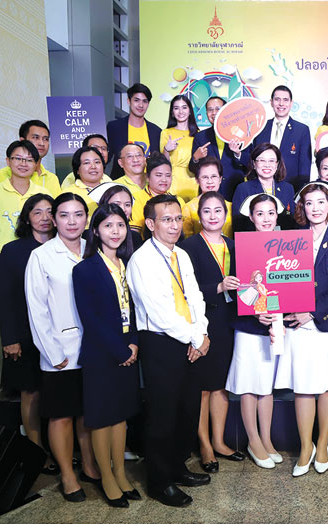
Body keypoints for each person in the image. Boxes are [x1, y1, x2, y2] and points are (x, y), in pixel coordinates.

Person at [126, 194, 212, 507]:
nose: (174, 225)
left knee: (187, 411)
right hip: (161, 343)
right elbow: (159, 311)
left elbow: (196, 297)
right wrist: (195, 338)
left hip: (190, 339)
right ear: (150, 224)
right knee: (162, 415)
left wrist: (202, 333)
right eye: (166, 219)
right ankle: (160, 482)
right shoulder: (142, 260)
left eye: (177, 218)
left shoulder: (181, 255)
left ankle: (178, 467)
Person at [275, 182, 328, 476]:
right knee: (303, 387)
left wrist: (311, 312)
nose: (315, 208)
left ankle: (322, 444)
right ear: (302, 208)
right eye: (309, 203)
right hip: (297, 323)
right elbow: (281, 279)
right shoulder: (291, 239)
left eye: (320, 202)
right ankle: (305, 447)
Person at [25, 193, 99, 502]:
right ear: (54, 220)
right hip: (61, 349)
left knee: (87, 412)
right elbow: (37, 309)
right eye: (64, 215)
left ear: (87, 219)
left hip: (93, 348)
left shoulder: (94, 249)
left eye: (78, 214)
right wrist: (52, 353)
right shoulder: (42, 256)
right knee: (61, 416)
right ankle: (68, 475)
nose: (72, 221)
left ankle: (90, 465)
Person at [72, 204, 140, 508]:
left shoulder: (128, 265)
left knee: (120, 417)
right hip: (102, 354)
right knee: (102, 418)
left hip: (128, 349)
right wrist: (120, 350)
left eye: (120, 225)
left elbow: (135, 309)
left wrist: (133, 343)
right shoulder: (84, 269)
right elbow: (91, 319)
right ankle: (107, 478)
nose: (115, 231)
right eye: (108, 225)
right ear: (96, 231)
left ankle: (121, 474)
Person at [179, 191, 244, 473]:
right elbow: (184, 290)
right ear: (199, 215)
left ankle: (219, 440)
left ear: (226, 215)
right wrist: (217, 287)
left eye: (218, 210)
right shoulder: (188, 247)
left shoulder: (235, 245)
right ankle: (204, 444)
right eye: (207, 211)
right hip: (203, 323)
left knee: (220, 385)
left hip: (229, 322)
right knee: (203, 388)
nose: (213, 216)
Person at [224, 193, 287, 470]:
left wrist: (278, 313)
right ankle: (253, 440)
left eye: (270, 213)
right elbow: (238, 289)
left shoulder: (286, 246)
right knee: (249, 385)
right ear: (251, 217)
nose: (266, 218)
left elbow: (287, 285)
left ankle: (267, 439)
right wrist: (255, 312)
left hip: (274, 322)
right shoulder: (241, 247)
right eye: (260, 213)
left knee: (266, 386)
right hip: (249, 326)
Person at [0, 193, 55, 468]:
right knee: (30, 392)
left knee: (56, 392)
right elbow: (6, 298)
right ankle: (36, 451)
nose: (44, 217)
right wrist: (10, 339)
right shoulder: (13, 250)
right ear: (27, 218)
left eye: (49, 211)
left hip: (59, 334)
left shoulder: (65, 246)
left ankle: (59, 448)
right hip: (24, 332)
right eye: (37, 212)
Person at [0, 140, 50, 300]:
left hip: (39, 262)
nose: (23, 164)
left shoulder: (43, 194)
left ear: (36, 164)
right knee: (9, 312)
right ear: (8, 161)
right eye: (18, 158)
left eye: (29, 160)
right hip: (3, 263)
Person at [248, 85, 312, 191]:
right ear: (271, 102)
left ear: (291, 103)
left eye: (285, 100)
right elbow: (252, 159)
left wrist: (301, 193)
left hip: (290, 188)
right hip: (260, 188)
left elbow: (304, 166)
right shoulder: (261, 127)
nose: (281, 104)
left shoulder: (301, 130)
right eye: (277, 99)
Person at [191, 96, 245, 200]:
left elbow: (250, 163)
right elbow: (192, 168)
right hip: (208, 193)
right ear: (206, 113)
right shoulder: (200, 137)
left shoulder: (240, 134)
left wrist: (238, 154)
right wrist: (195, 158)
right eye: (210, 110)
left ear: (226, 110)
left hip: (235, 191)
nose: (214, 113)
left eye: (218, 109)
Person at [232, 143, 295, 232]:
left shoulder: (287, 188)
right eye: (262, 160)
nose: (267, 165)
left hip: (283, 239)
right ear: (254, 164)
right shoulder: (243, 189)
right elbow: (238, 226)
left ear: (277, 164)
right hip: (253, 239)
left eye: (271, 161)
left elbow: (292, 222)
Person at [107, 83, 162, 180]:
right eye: (136, 100)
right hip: (121, 183)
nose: (141, 105)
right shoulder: (114, 127)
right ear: (129, 101)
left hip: (148, 184)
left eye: (145, 101)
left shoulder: (156, 131)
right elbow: (106, 157)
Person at [0, 120, 61, 196]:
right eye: (36, 137)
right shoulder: (5, 173)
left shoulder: (53, 178)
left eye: (46, 139)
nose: (41, 143)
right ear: (22, 141)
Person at [130, 153, 186, 234]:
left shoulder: (179, 201)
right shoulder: (136, 199)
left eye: (168, 175)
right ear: (147, 177)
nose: (164, 180)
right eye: (159, 175)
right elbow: (135, 233)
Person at [182, 156, 233, 238]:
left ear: (220, 179)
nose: (210, 181)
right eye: (205, 177)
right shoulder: (188, 209)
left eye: (214, 176)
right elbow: (186, 240)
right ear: (197, 180)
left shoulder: (231, 206)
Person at [161, 95, 199, 202]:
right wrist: (166, 150)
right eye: (176, 108)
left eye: (184, 107)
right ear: (172, 112)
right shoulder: (166, 133)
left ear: (190, 111)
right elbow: (163, 164)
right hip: (173, 183)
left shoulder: (198, 134)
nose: (180, 111)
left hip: (194, 183)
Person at [88, 182, 143, 249]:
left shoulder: (135, 237)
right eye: (117, 204)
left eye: (127, 205)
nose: (123, 209)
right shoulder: (87, 236)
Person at [61, 145, 111, 219]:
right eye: (87, 163)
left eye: (97, 162)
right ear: (77, 170)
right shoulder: (68, 193)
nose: (93, 166)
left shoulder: (112, 189)